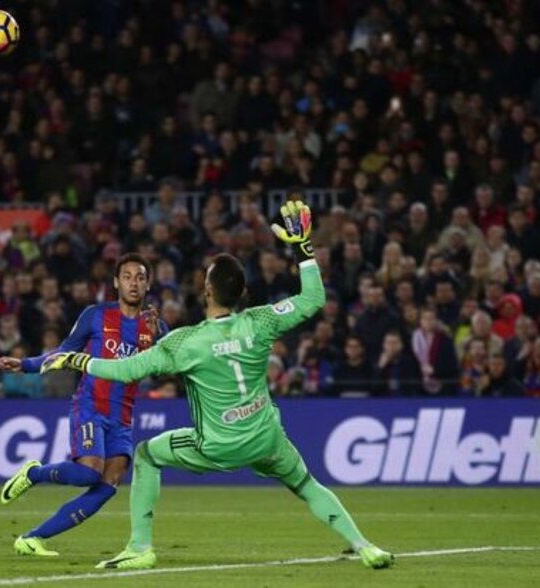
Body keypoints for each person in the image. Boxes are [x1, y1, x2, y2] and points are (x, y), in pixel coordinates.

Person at [42, 201, 393, 570]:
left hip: (218, 446)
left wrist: (77, 359)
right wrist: (302, 246)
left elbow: (127, 369)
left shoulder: (185, 342)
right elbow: (313, 299)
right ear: (241, 294)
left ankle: (140, 547)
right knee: (307, 484)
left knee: (146, 455)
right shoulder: (261, 321)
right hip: (265, 437)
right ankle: (365, 545)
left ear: (207, 290)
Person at [0, 252, 168, 557]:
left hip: (123, 417)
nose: (133, 283)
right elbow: (65, 351)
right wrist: (26, 365)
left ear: (148, 284)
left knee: (108, 484)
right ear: (116, 282)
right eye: (127, 276)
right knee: (89, 472)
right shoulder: (96, 315)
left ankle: (32, 538)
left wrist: (158, 341)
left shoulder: (154, 327)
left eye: (140, 277)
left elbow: (167, 370)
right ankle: (34, 474)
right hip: (90, 406)